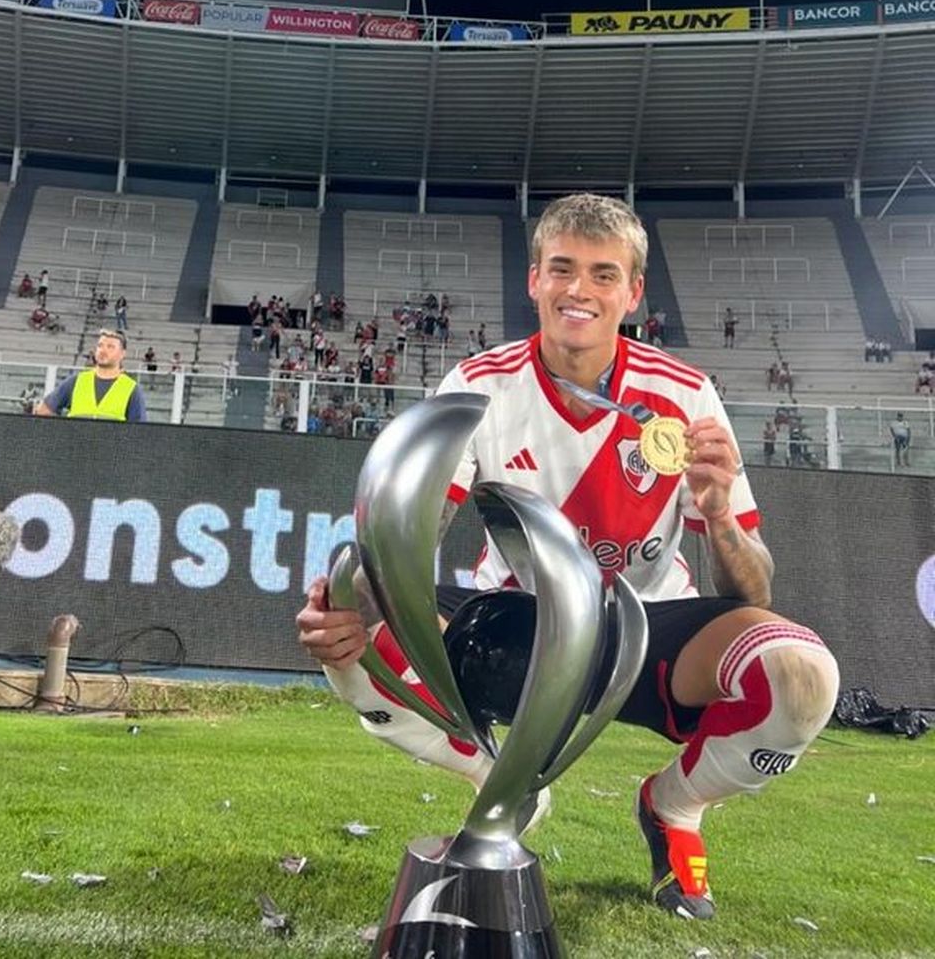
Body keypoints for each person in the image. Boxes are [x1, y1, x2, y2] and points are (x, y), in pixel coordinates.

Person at [297, 193, 838, 924]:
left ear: (633, 292)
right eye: (562, 269)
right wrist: (350, 606)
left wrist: (717, 518)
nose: (579, 290)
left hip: (647, 628)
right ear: (534, 281)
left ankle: (672, 810)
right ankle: (508, 784)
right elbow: (414, 529)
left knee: (801, 676)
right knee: (345, 643)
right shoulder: (480, 386)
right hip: (515, 632)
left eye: (603, 274)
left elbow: (754, 590)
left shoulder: (684, 395)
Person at [34, 329, 147, 422]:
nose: (103, 350)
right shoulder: (76, 381)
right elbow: (43, 411)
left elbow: (139, 433)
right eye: (100, 345)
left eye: (110, 347)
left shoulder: (131, 389)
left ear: (122, 354)